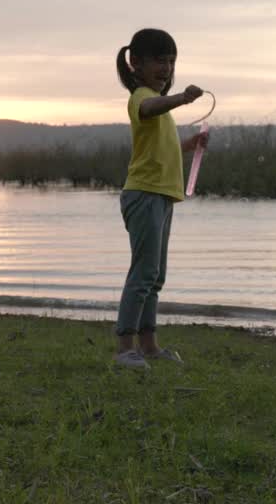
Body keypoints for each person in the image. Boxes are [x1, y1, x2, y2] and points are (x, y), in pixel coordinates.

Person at [111, 28, 209, 370]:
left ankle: (149, 345)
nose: (166, 68)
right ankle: (125, 347)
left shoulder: (161, 110)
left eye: (171, 61)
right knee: (143, 272)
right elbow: (151, 107)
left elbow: (163, 150)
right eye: (159, 61)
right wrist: (182, 98)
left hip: (163, 197)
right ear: (136, 63)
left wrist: (189, 145)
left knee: (156, 275)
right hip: (144, 196)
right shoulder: (141, 98)